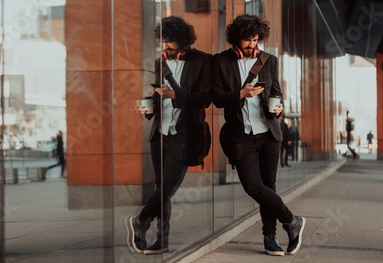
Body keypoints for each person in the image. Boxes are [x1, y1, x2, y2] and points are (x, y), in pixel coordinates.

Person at [212, 14, 306, 256]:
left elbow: (277, 93)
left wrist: (278, 106)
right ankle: (292, 221)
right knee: (254, 186)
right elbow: (217, 98)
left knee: (269, 186)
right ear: (236, 38)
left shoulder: (269, 60)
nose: (252, 45)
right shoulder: (221, 61)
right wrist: (241, 93)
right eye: (247, 40)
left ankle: (270, 237)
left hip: (268, 132)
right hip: (240, 135)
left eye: (255, 39)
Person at [127, 16, 211, 255]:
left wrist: (175, 95)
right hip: (159, 133)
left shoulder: (203, 61)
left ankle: (140, 221)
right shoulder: (159, 62)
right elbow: (158, 95)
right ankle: (161, 239)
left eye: (170, 43)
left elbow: (204, 98)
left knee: (168, 188)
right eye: (163, 42)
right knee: (161, 187)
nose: (166, 47)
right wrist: (148, 106)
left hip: (184, 134)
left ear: (184, 41)